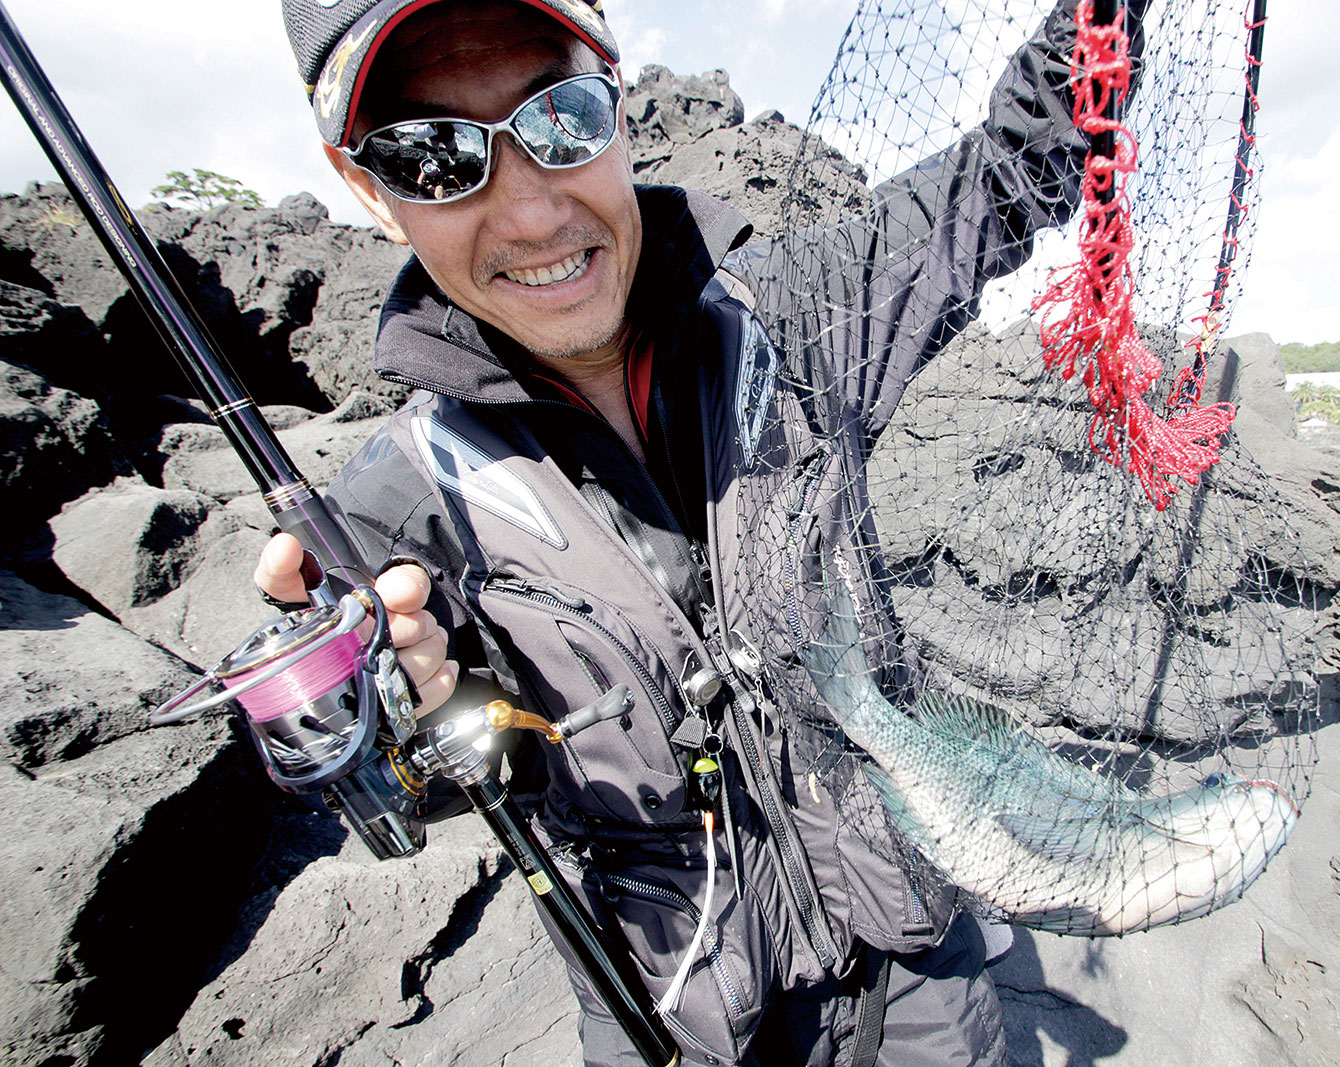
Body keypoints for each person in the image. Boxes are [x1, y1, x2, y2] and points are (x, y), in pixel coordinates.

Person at [263, 1, 1125, 1063]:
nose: (531, 212)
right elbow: (420, 772)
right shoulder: (394, 512)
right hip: (676, 1012)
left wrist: (1110, 20)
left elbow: (1004, 172)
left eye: (562, 118)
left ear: (620, 108)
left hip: (912, 967)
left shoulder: (803, 312)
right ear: (370, 192)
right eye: (435, 157)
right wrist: (386, 720)